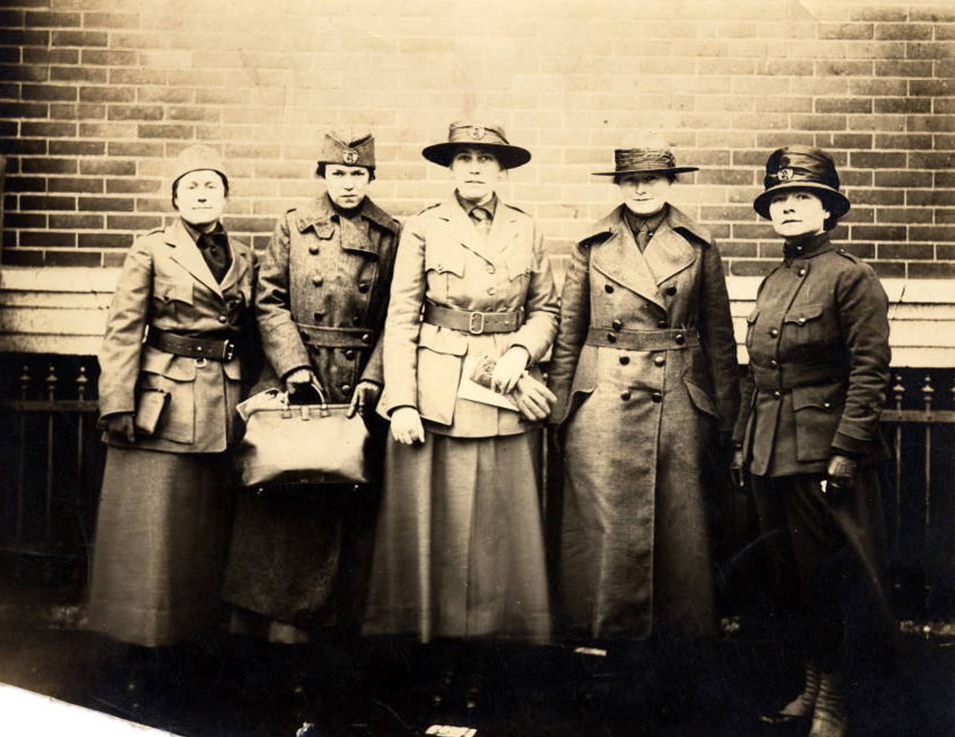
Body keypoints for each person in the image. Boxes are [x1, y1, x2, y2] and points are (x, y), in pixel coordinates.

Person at [363, 122, 559, 648]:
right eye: (464, 158)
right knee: (437, 524)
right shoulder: (425, 227)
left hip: (504, 384)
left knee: (501, 525)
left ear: (502, 168)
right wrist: (401, 400)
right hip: (438, 390)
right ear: (451, 168)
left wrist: (522, 350)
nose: (474, 167)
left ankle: (496, 645)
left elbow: (547, 311)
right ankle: (430, 645)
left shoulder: (527, 227)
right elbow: (401, 318)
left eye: (486, 159)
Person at [546, 136, 740, 644]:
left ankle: (678, 652)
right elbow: (569, 331)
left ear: (670, 184)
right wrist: (561, 410)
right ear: (619, 185)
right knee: (604, 528)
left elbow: (719, 336)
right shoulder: (591, 244)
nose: (640, 189)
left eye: (651, 179)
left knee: (680, 527)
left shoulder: (698, 245)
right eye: (630, 180)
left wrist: (729, 417)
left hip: (676, 392)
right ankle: (603, 644)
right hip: (603, 396)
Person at [731, 145, 892, 737]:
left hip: (822, 456)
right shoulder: (774, 278)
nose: (789, 208)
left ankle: (835, 698)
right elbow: (761, 373)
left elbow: (871, 371)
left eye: (802, 198)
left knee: (829, 576)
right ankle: (809, 685)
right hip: (770, 450)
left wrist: (845, 452)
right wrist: (744, 448)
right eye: (779, 199)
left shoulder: (851, 277)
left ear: (827, 210)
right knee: (789, 577)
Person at [222, 130, 400, 643]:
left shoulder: (389, 232)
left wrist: (373, 378)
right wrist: (294, 368)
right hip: (297, 381)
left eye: (358, 174)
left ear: (370, 178)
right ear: (324, 175)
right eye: (339, 174)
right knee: (282, 504)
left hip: (355, 385)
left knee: (343, 502)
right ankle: (271, 626)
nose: (348, 184)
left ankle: (333, 634)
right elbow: (269, 299)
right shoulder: (294, 226)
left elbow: (397, 314)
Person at [89, 144, 257, 657]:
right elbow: (122, 330)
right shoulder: (152, 249)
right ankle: (141, 643)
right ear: (176, 198)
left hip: (224, 403)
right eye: (191, 186)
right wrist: (116, 402)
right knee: (155, 527)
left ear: (226, 196)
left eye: (211, 185)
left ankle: (199, 640)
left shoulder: (246, 256)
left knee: (207, 528)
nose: (202, 195)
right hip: (163, 401)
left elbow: (251, 332)